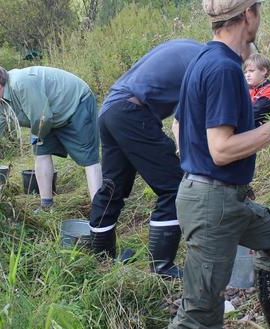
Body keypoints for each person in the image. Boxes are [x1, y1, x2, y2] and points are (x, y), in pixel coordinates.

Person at [169, 0, 270, 328]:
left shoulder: (203, 59)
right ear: (248, 15)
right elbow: (221, 150)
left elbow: (177, 124)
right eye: (258, 11)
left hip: (221, 196)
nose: (259, 19)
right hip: (211, 204)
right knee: (199, 316)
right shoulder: (223, 69)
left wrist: (204, 168)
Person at [88, 39, 203, 278]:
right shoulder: (208, 64)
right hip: (131, 112)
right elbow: (185, 120)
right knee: (174, 186)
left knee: (112, 186)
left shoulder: (187, 47)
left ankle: (101, 259)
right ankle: (162, 267)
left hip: (109, 111)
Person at [0, 64, 103, 210]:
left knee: (89, 158)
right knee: (41, 152)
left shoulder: (20, 83)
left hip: (75, 104)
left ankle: (99, 211)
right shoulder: (0, 105)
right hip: (48, 115)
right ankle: (46, 206)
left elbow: (43, 117)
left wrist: (37, 135)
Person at [245, 53, 270, 127]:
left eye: (251, 71)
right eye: (246, 72)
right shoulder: (248, 88)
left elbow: (257, 110)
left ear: (263, 71)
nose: (247, 75)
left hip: (262, 128)